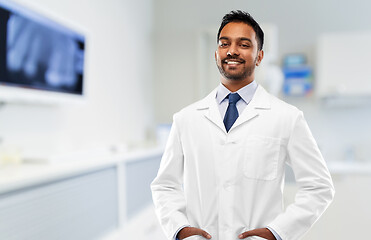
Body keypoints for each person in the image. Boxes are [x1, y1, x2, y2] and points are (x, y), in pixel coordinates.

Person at [151, 10, 334, 240]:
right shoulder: (186, 119)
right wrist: (180, 230)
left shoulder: (287, 117)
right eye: (224, 43)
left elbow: (319, 187)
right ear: (216, 54)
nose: (232, 50)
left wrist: (276, 233)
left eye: (244, 44)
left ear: (259, 56)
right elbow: (165, 186)